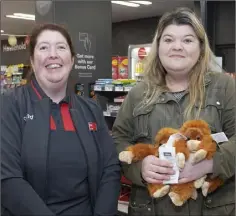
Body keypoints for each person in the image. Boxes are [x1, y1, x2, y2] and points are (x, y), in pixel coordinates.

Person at [112, 7, 235, 216]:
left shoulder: (224, 87)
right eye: (168, 40)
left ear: (201, 48)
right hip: (150, 208)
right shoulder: (138, 93)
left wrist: (210, 164)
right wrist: (140, 168)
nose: (177, 47)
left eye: (187, 40)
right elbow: (118, 141)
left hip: (212, 208)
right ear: (158, 46)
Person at [1, 23, 121, 216]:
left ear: (72, 60)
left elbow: (110, 168)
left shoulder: (90, 109)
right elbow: (7, 178)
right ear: (32, 61)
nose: (53, 54)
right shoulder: (10, 106)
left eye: (61, 47)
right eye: (43, 47)